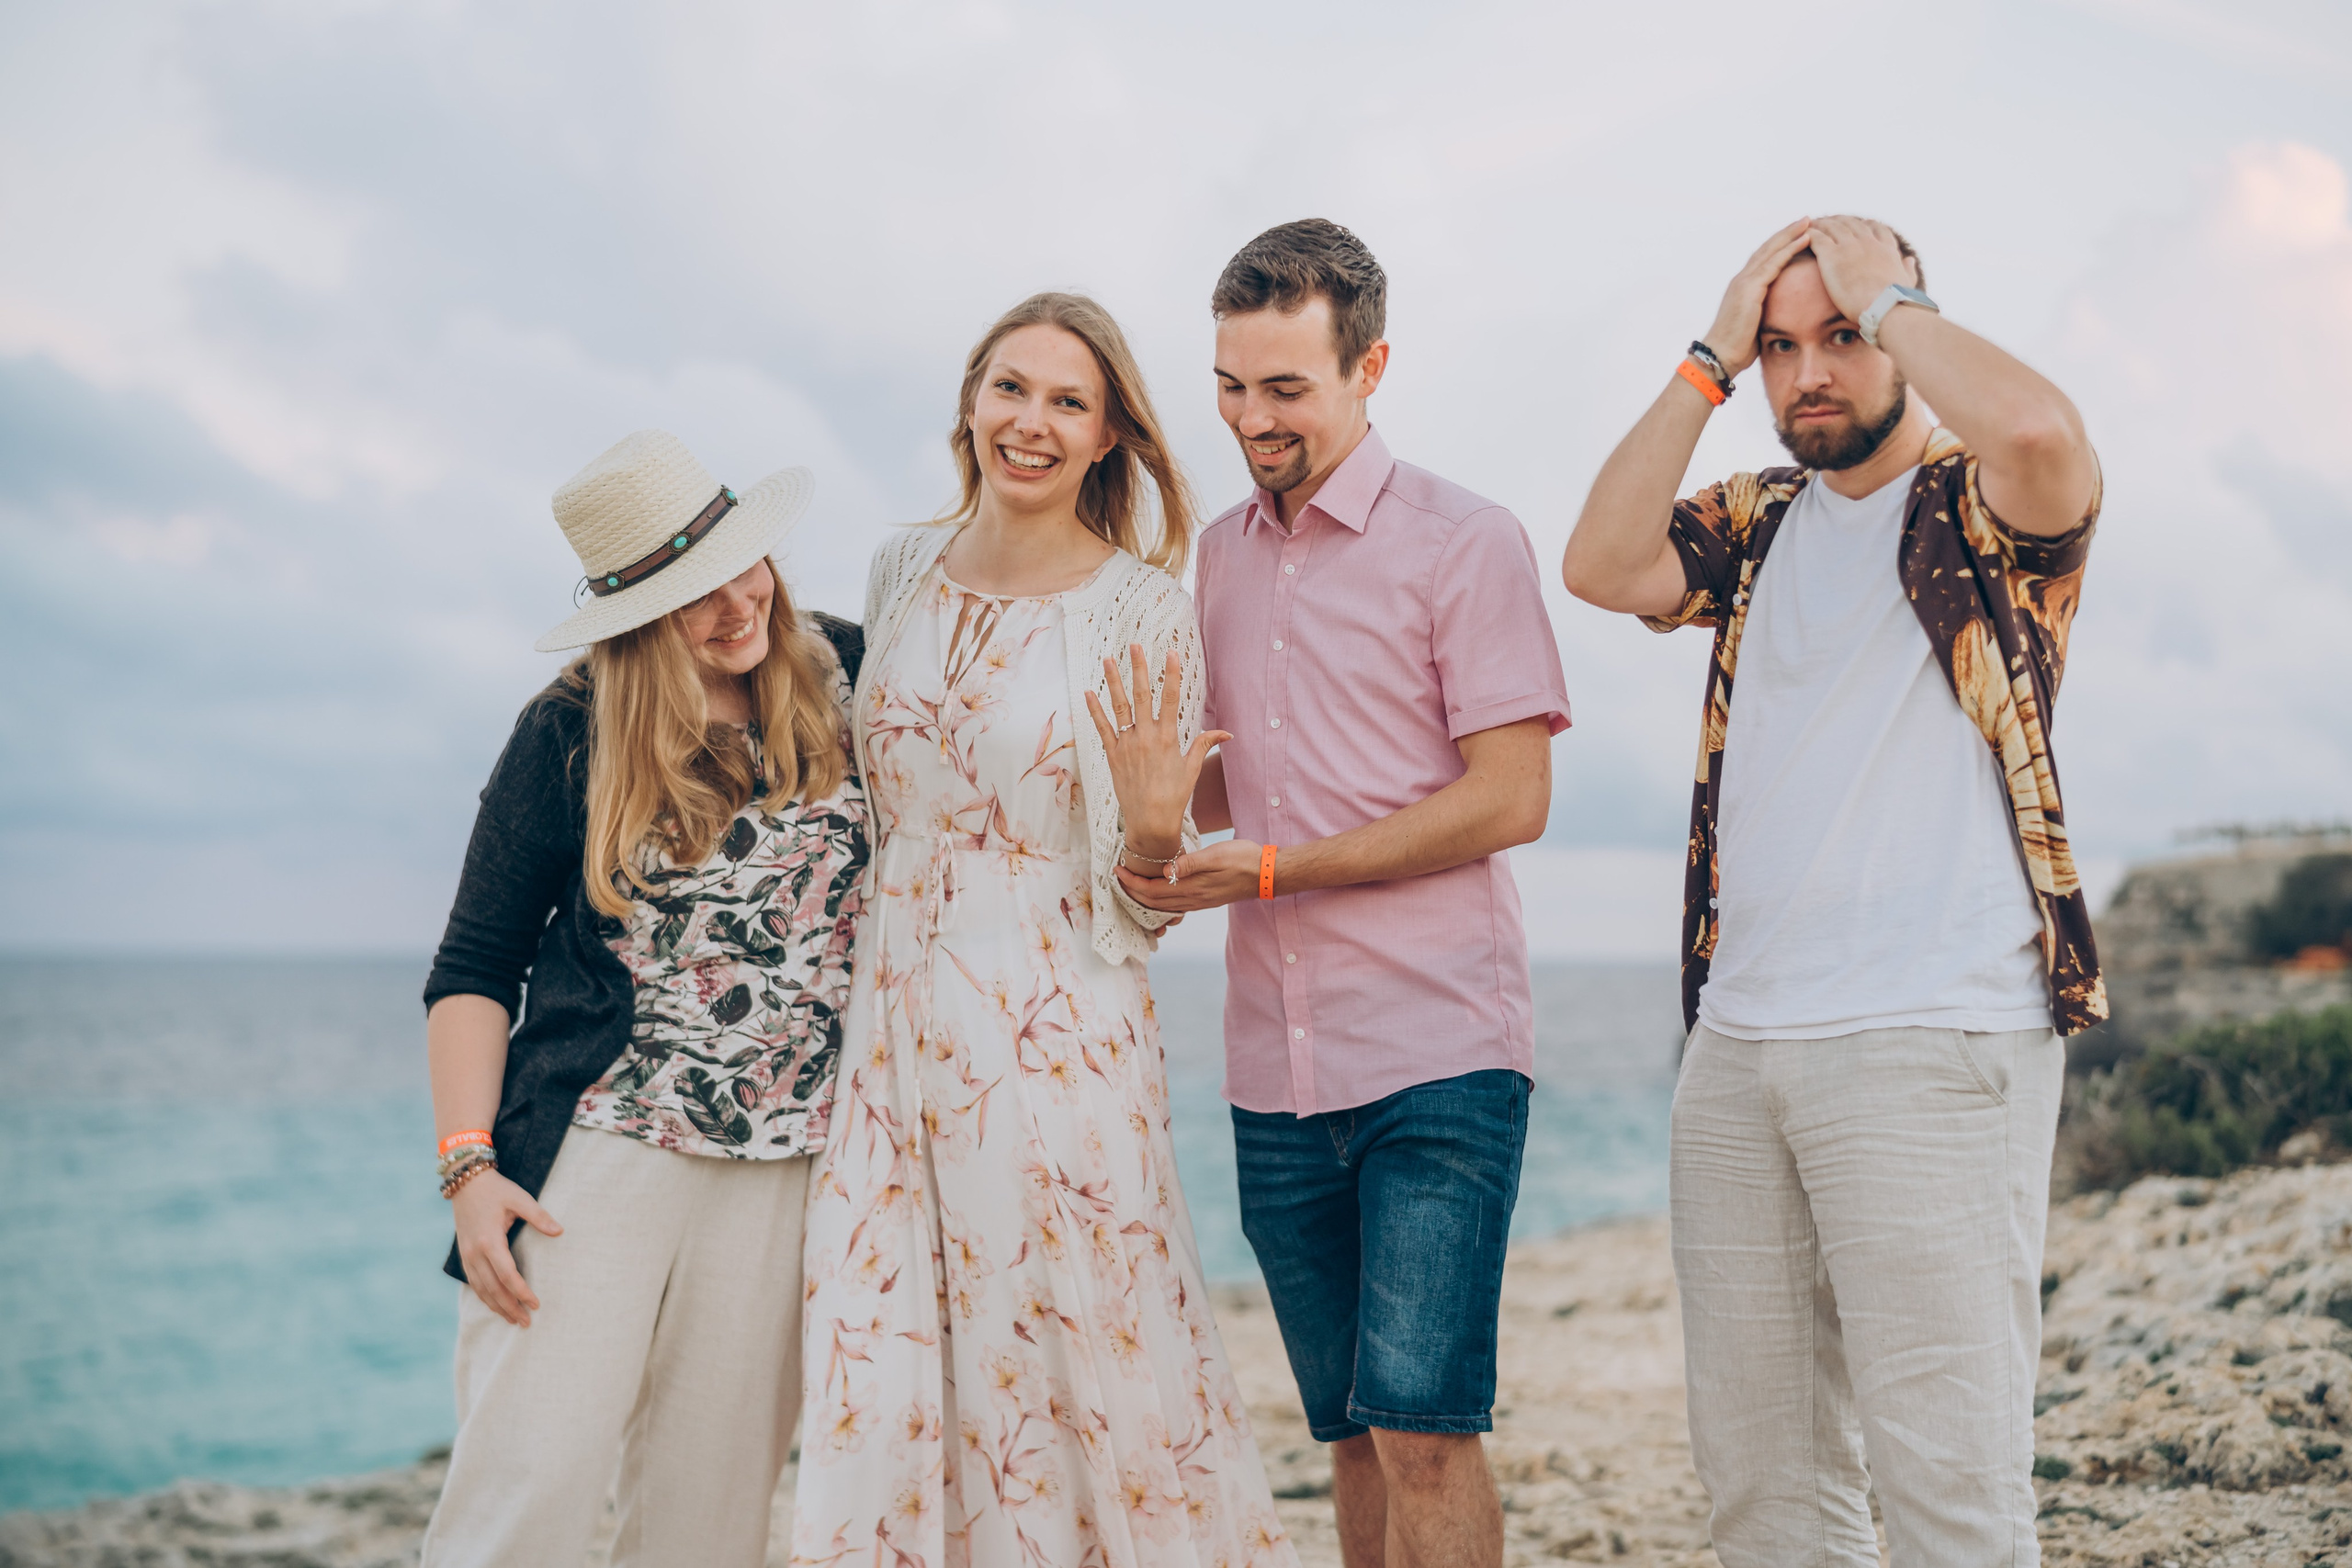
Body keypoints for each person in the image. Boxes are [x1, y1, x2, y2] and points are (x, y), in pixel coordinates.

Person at [1560, 216, 2105, 1566]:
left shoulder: (1985, 509)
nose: (1810, 372)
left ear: (1909, 326)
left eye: (1843, 337)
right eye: (1783, 347)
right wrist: (1709, 349)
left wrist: (1888, 299)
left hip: (1934, 1029)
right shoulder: (1759, 521)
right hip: (1740, 1044)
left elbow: (2043, 436)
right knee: (1767, 1488)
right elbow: (1602, 563)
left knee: (1949, 1489)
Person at [790, 292, 1298, 1568]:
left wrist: (1145, 833)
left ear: (1109, 433)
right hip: (892, 1031)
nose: (1032, 421)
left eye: (1068, 400)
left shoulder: (1143, 610)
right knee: (888, 1342)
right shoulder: (899, 568)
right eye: (1011, 388)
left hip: (1055, 1032)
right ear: (972, 400)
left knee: (1074, 1351)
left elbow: (1144, 900)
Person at [1115, 220, 1570, 1568]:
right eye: (1230, 385)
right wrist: (1150, 819)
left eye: (1286, 389)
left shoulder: (1468, 540)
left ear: (1371, 367)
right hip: (1272, 1072)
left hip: (1440, 1052)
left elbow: (1512, 797)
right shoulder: (1215, 557)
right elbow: (1214, 792)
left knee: (1427, 1426)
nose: (1251, 420)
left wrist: (1269, 868)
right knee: (1354, 1437)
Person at [416, 429, 868, 1567]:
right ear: (631, 615)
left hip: (786, 1169)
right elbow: (474, 968)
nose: (731, 608)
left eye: (740, 567)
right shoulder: (570, 725)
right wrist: (470, 1172)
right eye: (686, 597)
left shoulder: (854, 673)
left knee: (708, 1524)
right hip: (594, 1162)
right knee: (526, 1494)